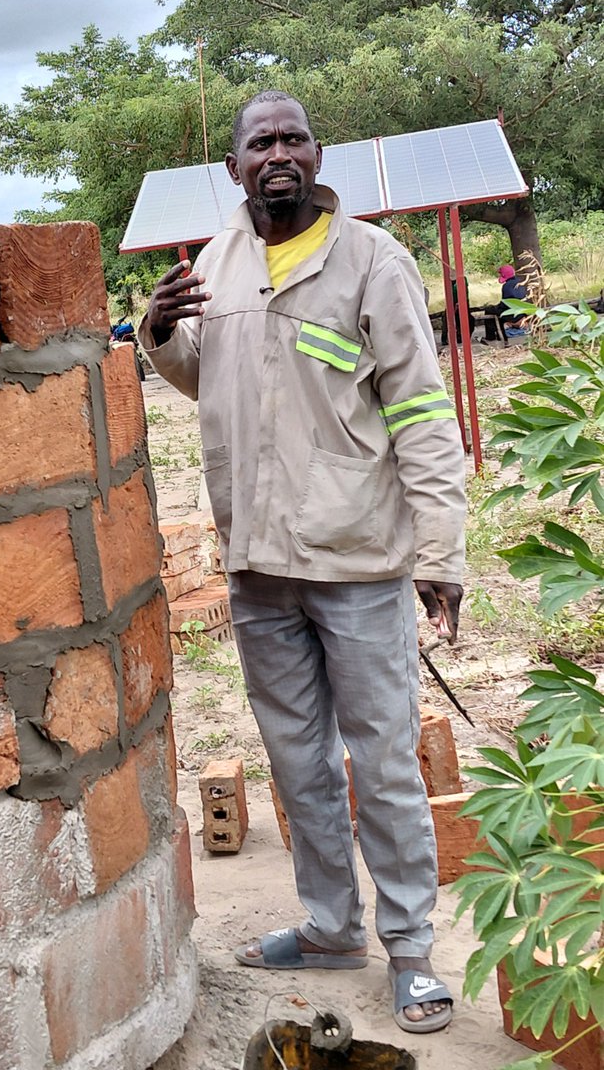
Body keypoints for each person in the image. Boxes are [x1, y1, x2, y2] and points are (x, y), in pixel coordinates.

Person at [140, 91, 466, 1035]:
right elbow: (210, 376)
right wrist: (160, 330)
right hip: (257, 565)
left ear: (317, 156)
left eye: (294, 138)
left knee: (385, 763)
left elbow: (420, 413)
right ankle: (330, 926)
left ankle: (409, 950)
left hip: (359, 562)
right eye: (260, 142)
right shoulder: (217, 263)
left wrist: (440, 551)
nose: (279, 153)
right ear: (233, 167)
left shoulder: (374, 262)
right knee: (297, 763)